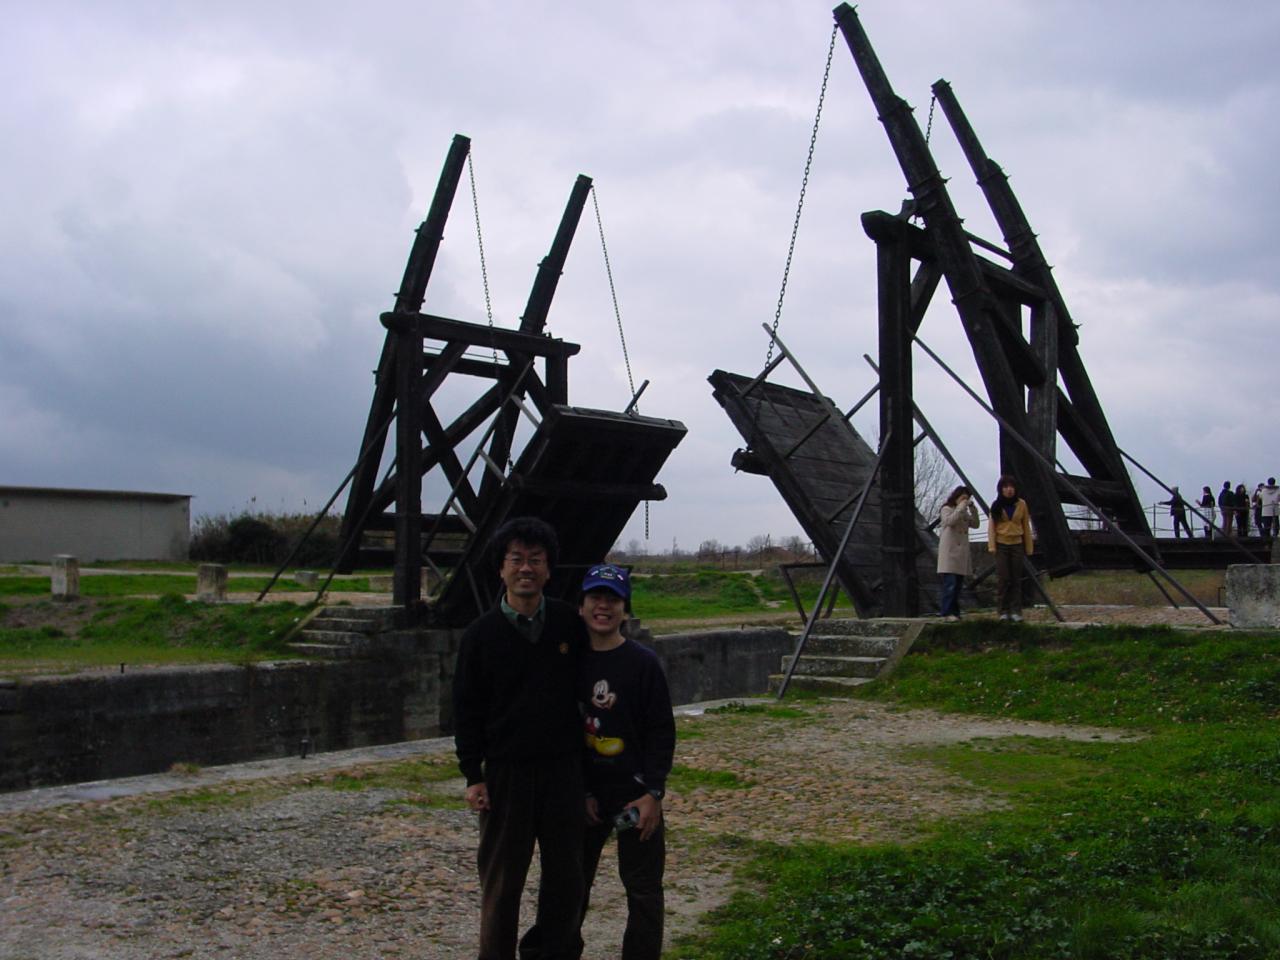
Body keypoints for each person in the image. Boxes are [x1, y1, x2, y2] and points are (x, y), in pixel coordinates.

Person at [453, 516, 588, 960]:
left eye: (536, 559)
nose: (526, 568)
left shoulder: (569, 624)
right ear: (501, 568)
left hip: (563, 771)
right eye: (516, 559)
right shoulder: (480, 635)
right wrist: (473, 775)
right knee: (502, 881)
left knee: (566, 879)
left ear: (549, 570)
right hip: (506, 773)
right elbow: (466, 709)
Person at [574, 563, 675, 960]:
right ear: (581, 605)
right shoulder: (569, 662)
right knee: (570, 887)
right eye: (595, 597)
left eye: (612, 599)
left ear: (624, 608)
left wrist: (653, 793)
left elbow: (661, 731)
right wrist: (580, 791)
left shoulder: (643, 663)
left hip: (634, 799)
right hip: (585, 799)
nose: (603, 606)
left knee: (643, 890)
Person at [988, 475, 1034, 622]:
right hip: (1001, 544)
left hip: (1017, 544)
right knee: (1004, 578)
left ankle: (1016, 611)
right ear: (1001, 489)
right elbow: (991, 527)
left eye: (1012, 487)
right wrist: (992, 546)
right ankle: (1003, 610)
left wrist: (1029, 547)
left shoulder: (1021, 504)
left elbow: (1026, 526)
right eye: (1006, 487)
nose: (1009, 490)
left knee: (1016, 578)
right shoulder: (996, 505)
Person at [937, 485, 980, 621]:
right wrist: (961, 507)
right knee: (950, 584)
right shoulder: (946, 509)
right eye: (962, 497)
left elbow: (976, 524)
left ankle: (955, 612)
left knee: (958, 585)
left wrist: (972, 508)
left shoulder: (964, 513)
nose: (964, 500)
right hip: (950, 552)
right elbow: (949, 521)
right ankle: (946, 612)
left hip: (961, 554)